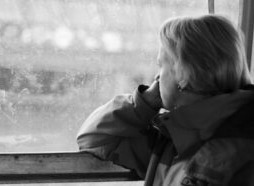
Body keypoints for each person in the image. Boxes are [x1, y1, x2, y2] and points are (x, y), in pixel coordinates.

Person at [77, 15, 254, 186]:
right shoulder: (173, 141)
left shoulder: (234, 154)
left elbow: (94, 139)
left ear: (183, 74)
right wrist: (144, 102)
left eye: (161, 65)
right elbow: (95, 138)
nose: (157, 77)